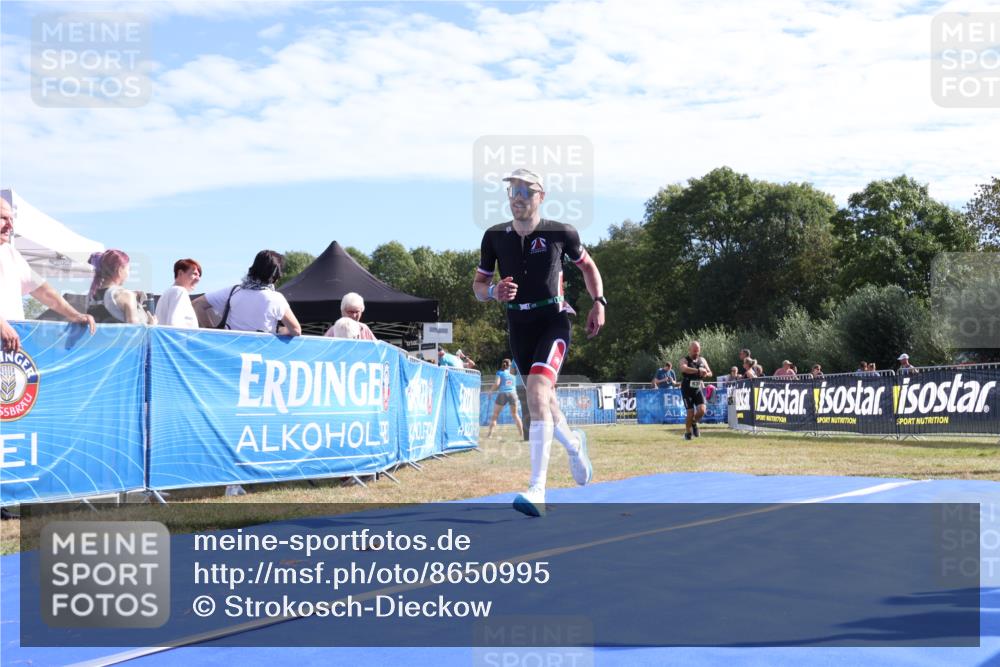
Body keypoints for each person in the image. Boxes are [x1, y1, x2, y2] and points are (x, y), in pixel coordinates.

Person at [473, 168, 605, 517]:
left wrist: (599, 302)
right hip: (518, 323)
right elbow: (478, 286)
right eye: (512, 189)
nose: (518, 196)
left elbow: (589, 267)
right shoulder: (494, 237)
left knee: (535, 394)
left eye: (526, 190)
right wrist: (492, 292)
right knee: (545, 399)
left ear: (541, 196)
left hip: (553, 319)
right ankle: (575, 445)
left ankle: (537, 489)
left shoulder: (561, 232)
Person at [0, 196, 95, 352]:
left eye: (11, 219)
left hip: (10, 353)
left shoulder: (11, 253)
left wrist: (74, 315)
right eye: (3, 218)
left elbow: (43, 290)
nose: (10, 225)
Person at [192, 250, 302, 336]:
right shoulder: (276, 299)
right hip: (259, 356)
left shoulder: (233, 291)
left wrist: (211, 332)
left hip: (230, 353)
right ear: (276, 275)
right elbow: (296, 330)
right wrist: (279, 330)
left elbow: (197, 304)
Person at [87, 250, 156, 324]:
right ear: (120, 270)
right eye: (128, 269)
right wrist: (151, 325)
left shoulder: (91, 296)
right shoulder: (127, 295)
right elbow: (134, 332)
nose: (128, 274)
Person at [679, 341, 713, 440]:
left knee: (702, 410)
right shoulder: (684, 360)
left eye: (697, 351)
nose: (696, 353)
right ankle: (687, 432)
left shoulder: (702, 360)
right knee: (690, 412)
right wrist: (698, 371)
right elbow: (683, 369)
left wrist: (706, 373)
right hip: (687, 389)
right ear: (689, 350)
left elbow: (710, 372)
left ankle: (694, 423)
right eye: (694, 351)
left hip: (697, 388)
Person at [155, 258, 202, 328]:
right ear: (180, 273)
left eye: (199, 275)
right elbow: (174, 325)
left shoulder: (168, 293)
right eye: (194, 274)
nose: (198, 279)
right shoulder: (180, 291)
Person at [486, 358, 524, 439]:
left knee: (495, 415)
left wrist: (490, 391)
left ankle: (489, 435)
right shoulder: (513, 373)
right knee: (515, 415)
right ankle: (521, 434)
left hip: (502, 394)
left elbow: (497, 384)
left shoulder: (500, 372)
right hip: (513, 394)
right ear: (510, 365)